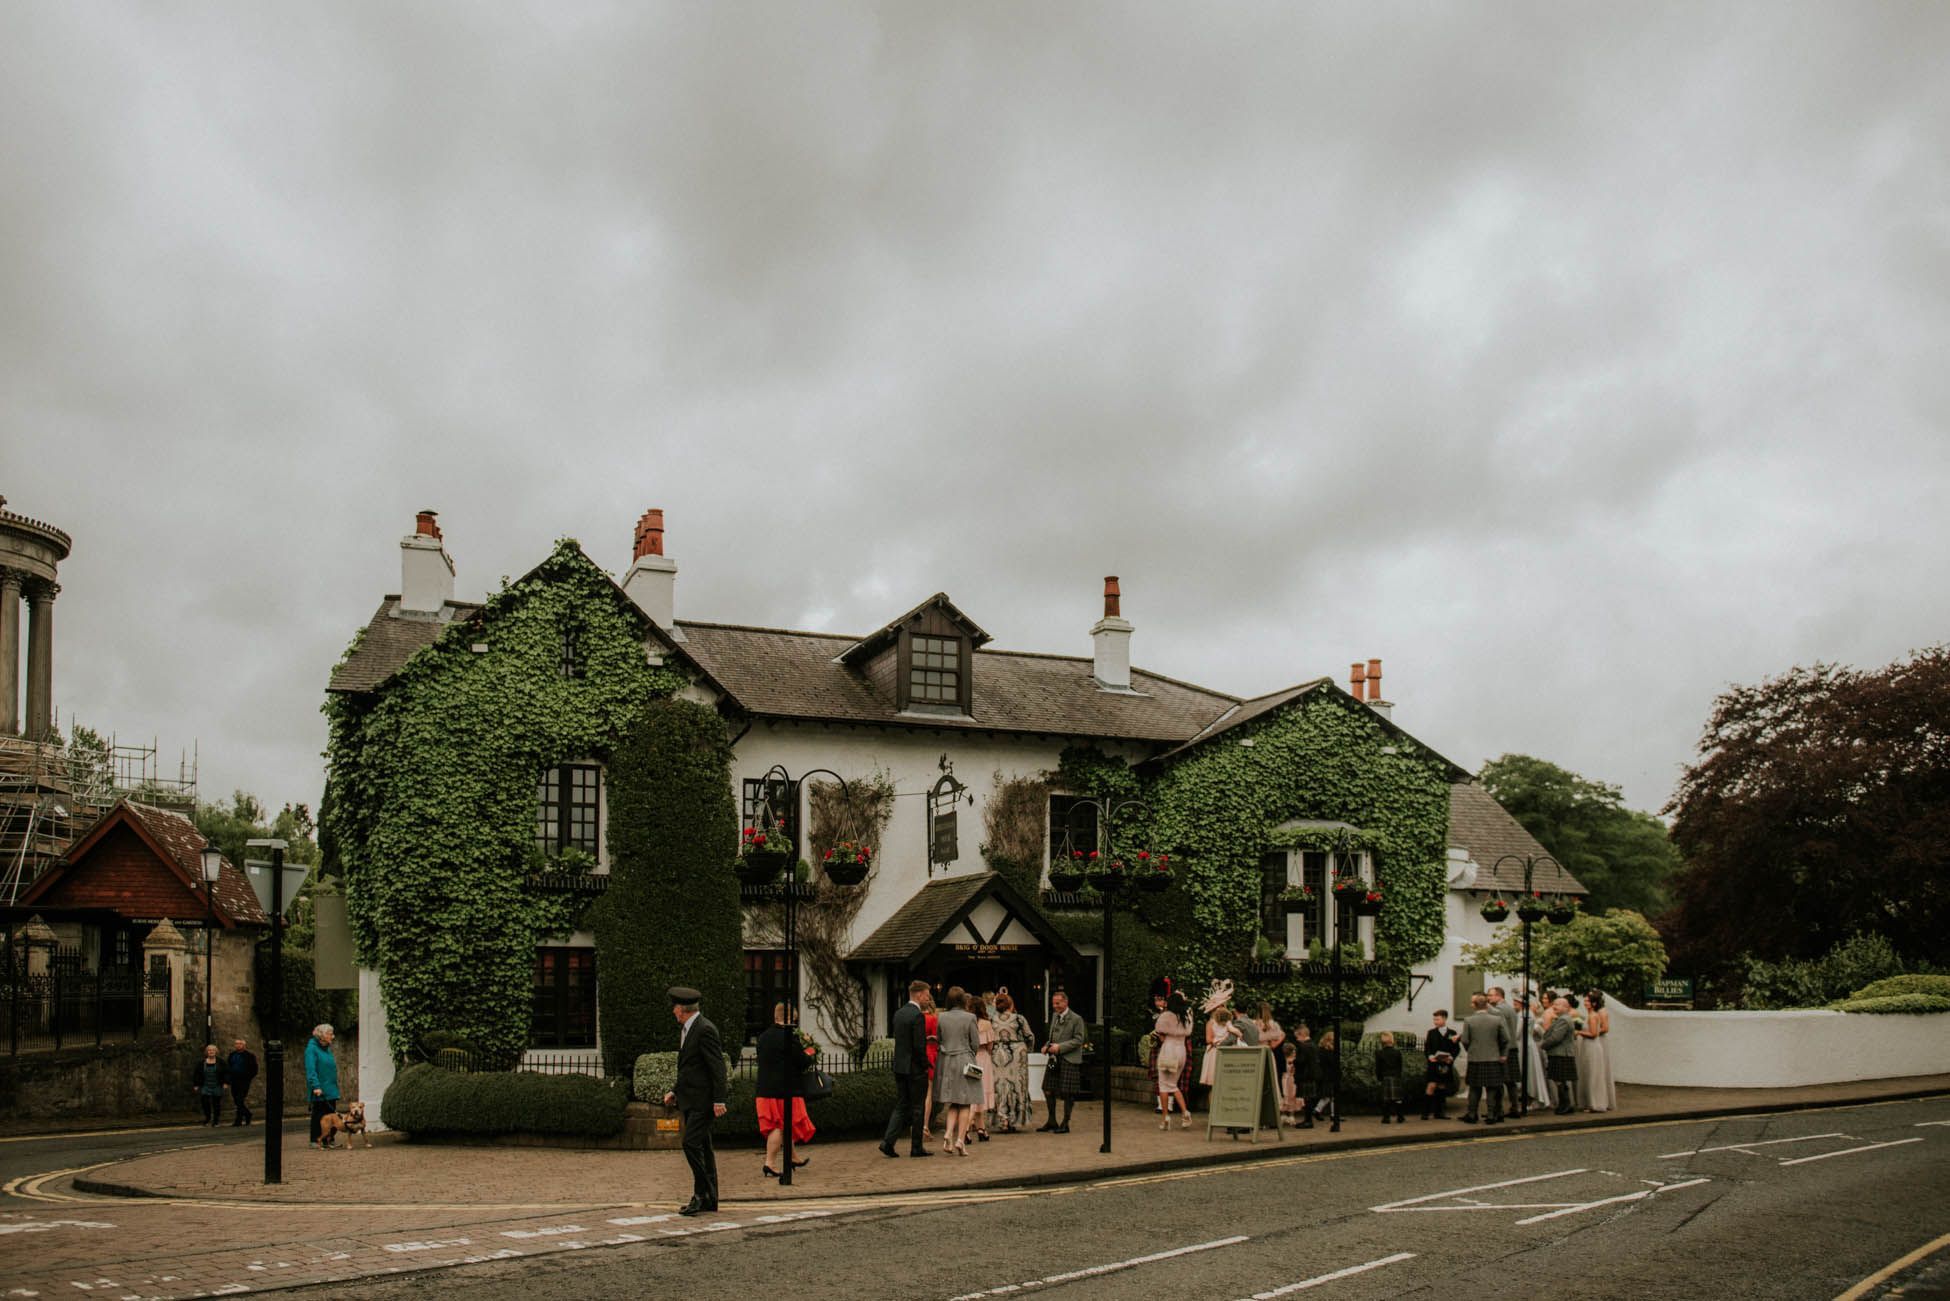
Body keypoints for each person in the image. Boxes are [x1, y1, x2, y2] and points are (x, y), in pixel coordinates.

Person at [662, 986, 728, 1215]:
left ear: (682, 1009)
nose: (673, 1012)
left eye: (675, 1008)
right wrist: (675, 1091)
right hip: (691, 1099)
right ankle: (711, 1198)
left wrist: (719, 1099)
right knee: (704, 1148)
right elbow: (690, 1068)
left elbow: (717, 1067)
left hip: (703, 1101)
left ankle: (701, 1194)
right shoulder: (689, 1029)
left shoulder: (704, 1029)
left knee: (690, 1144)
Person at [755, 1003, 813, 1179]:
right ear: (788, 1019)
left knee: (784, 1126)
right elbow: (802, 1061)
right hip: (784, 1091)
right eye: (794, 1021)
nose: (794, 1025)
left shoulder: (763, 1037)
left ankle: (793, 1157)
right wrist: (810, 1049)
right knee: (779, 1127)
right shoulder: (789, 1037)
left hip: (764, 1090)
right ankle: (770, 1163)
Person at [880, 979, 935, 1158]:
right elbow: (919, 1046)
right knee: (918, 1107)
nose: (928, 999)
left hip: (900, 1066)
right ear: (919, 995)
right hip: (914, 1068)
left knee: (902, 1105)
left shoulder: (899, 1013)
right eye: (927, 996)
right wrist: (926, 1064)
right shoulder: (917, 1016)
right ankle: (916, 1147)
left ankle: (888, 1142)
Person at [934, 988, 981, 1155]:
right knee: (966, 1101)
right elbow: (975, 1043)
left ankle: (948, 1133)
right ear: (963, 1000)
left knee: (954, 1102)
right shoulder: (970, 1017)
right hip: (965, 1060)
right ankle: (960, 1140)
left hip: (946, 1061)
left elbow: (939, 1039)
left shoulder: (941, 1017)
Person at [1038, 989, 1087, 1134]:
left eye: (1058, 1003)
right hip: (1054, 1059)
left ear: (1066, 1002)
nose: (1055, 1006)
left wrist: (1060, 1047)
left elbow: (1079, 1040)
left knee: (1067, 1092)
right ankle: (1052, 1121)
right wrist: (1047, 1046)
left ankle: (1065, 1123)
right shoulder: (1054, 1016)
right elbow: (1053, 1037)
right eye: (1053, 1003)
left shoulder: (1076, 1019)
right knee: (1047, 1089)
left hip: (1069, 1058)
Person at [1457, 994, 1510, 1125]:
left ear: (1475, 1005)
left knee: (1475, 1088)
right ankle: (1491, 1115)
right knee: (1492, 1088)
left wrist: (1471, 1050)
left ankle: (1472, 1114)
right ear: (1486, 1004)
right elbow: (1506, 1039)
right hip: (1493, 1058)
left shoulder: (1468, 1020)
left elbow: (1465, 1040)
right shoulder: (1496, 1020)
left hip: (1475, 1059)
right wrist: (1503, 1054)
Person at [989, 990, 1034, 1133]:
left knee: (999, 1086)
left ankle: (1003, 1119)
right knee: (1016, 1086)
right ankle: (1014, 1118)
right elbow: (1029, 1036)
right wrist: (1027, 1050)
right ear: (1010, 1005)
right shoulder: (1019, 1018)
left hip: (997, 1054)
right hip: (1016, 1054)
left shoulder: (992, 1019)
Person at [1153, 991, 1192, 1129]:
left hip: (1169, 1049)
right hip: (1181, 1050)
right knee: (1173, 1084)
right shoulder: (1186, 1016)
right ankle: (1185, 1112)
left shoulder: (1166, 1016)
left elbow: (1160, 1034)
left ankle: (1165, 1118)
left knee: (1163, 1084)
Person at [1576, 992, 1617, 1113]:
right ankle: (1590, 1101)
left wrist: (1579, 1032)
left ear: (1594, 1002)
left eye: (1588, 1001)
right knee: (1590, 1073)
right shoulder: (1592, 1015)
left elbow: (1595, 1033)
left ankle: (1595, 1103)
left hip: (1592, 1046)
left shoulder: (1595, 1015)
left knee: (1593, 1073)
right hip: (1590, 1045)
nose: (1585, 1003)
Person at [1540, 996, 1579, 1114]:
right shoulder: (1563, 1018)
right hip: (1561, 1053)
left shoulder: (1563, 1020)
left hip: (1560, 1053)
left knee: (1559, 1080)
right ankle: (1565, 1104)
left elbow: (1556, 1038)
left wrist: (1543, 1045)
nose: (1554, 1006)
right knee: (1560, 1080)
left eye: (1557, 1004)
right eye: (1554, 1004)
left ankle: (1565, 1105)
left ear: (1565, 1007)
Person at [1486, 986, 1521, 1115]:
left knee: (1499, 1080)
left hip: (1504, 1049)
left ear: (1499, 996)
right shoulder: (1510, 1009)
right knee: (1510, 1081)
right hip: (1512, 1047)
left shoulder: (1499, 1010)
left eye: (1490, 995)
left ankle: (1498, 1109)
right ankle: (1514, 1107)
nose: (1488, 998)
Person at [1421, 1010, 1460, 1120]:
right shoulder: (1431, 1032)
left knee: (1442, 1086)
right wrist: (1430, 1056)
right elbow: (1427, 1048)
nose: (1435, 1021)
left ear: (1444, 1019)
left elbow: (1456, 1048)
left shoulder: (1452, 1033)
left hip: (1445, 1064)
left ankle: (1440, 1113)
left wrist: (1451, 1058)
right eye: (1434, 1019)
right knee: (1431, 1086)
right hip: (1434, 1064)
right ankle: (1425, 1113)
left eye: (1437, 1019)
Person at [304, 1024, 339, 1146]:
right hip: (320, 1089)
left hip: (331, 1088)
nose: (332, 1037)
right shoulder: (311, 1049)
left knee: (332, 1115)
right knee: (319, 1116)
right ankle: (315, 1139)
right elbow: (311, 1069)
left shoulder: (327, 1049)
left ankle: (328, 1140)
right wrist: (316, 1086)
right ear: (322, 1036)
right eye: (330, 1034)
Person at [971, 994, 996, 1141]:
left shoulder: (967, 1022)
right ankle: (967, 1128)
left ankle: (981, 1128)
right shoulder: (986, 1024)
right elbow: (990, 1046)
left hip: (970, 1059)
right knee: (980, 1093)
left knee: (973, 1092)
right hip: (983, 1059)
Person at [189, 1044, 228, 1127]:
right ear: (207, 1052)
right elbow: (197, 1074)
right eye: (209, 1050)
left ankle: (216, 1120)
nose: (211, 1052)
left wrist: (225, 1083)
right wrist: (196, 1084)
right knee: (205, 1103)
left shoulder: (221, 1062)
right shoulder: (202, 1063)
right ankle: (208, 1118)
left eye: (213, 1050)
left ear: (216, 1052)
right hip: (206, 1086)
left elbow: (226, 1073)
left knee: (216, 1104)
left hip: (217, 1085)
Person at [921, 991, 943, 1139]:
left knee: (918, 1093)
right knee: (928, 1093)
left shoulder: (916, 1018)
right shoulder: (932, 1019)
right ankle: (924, 1126)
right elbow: (937, 1039)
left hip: (917, 1054)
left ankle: (916, 1124)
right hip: (930, 1054)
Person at [1374, 1031, 1406, 1124]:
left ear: (1382, 1042)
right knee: (1398, 1099)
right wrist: (1399, 1076)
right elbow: (1400, 1066)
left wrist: (1379, 1078)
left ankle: (1386, 1118)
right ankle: (1400, 1117)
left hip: (1385, 1076)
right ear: (1392, 1040)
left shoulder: (1379, 1053)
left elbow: (1378, 1067)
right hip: (1395, 1076)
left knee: (1386, 1099)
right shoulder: (1397, 1052)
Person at [225, 1037, 258, 1126]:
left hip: (244, 1081)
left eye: (240, 1044)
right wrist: (228, 1080)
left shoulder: (249, 1056)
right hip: (234, 1080)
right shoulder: (232, 1055)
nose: (238, 1045)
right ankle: (247, 1114)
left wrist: (247, 1078)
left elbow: (254, 1069)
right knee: (236, 1100)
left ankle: (238, 1120)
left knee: (240, 1099)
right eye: (236, 1044)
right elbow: (228, 1068)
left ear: (244, 1045)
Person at [1291, 1023, 1319, 1129]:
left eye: (1297, 1036)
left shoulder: (1303, 1046)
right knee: (1309, 1098)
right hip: (1312, 1074)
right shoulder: (1313, 1044)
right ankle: (1308, 1120)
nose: (1297, 1039)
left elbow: (1301, 1061)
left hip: (1305, 1075)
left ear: (1301, 1034)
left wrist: (1293, 1061)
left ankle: (1308, 1121)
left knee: (1307, 1098)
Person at [1314, 1030, 1341, 1125]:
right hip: (1330, 1075)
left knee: (1329, 1096)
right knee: (1331, 1096)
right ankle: (1323, 1112)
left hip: (1326, 1075)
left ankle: (1322, 1111)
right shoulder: (1328, 1051)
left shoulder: (1321, 1050)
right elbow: (1333, 1063)